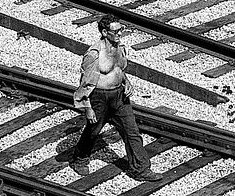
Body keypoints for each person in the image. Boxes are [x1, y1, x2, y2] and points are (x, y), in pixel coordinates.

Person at [62, 14, 161, 181]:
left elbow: (119, 70)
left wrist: (126, 82)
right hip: (99, 98)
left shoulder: (119, 48)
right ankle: (79, 158)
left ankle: (141, 169)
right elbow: (84, 83)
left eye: (121, 30)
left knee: (132, 132)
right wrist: (87, 108)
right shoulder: (94, 54)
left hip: (119, 96)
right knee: (93, 131)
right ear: (104, 32)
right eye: (115, 31)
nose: (119, 34)